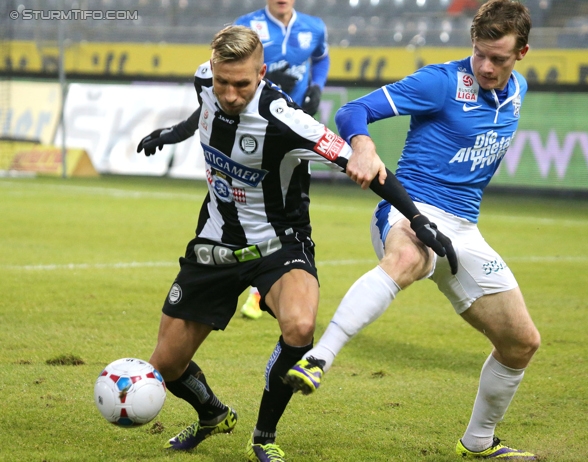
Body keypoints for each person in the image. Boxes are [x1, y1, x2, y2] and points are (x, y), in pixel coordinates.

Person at [145, 25, 456, 462]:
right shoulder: (205, 80)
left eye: (242, 85)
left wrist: (418, 219)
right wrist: (171, 134)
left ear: (262, 73)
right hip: (214, 244)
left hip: (280, 245)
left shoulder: (287, 120)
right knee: (166, 367)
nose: (230, 94)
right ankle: (213, 414)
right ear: (211, 70)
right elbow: (204, 109)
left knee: (300, 326)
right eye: (222, 82)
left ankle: (263, 434)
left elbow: (365, 164)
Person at [284, 1, 541, 459]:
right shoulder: (441, 82)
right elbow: (352, 111)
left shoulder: (518, 90)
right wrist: (362, 146)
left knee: (521, 343)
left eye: (498, 58)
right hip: (409, 208)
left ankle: (478, 442)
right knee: (409, 257)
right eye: (479, 52)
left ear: (522, 53)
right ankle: (320, 357)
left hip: (464, 228)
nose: (485, 65)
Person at [137, 0, 330, 320]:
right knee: (242, 205)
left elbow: (321, 59)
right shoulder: (247, 25)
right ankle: (250, 286)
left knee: (284, 214)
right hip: (247, 128)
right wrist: (174, 132)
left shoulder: (314, 27)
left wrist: (317, 87)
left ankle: (271, 287)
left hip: (290, 134)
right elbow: (221, 93)